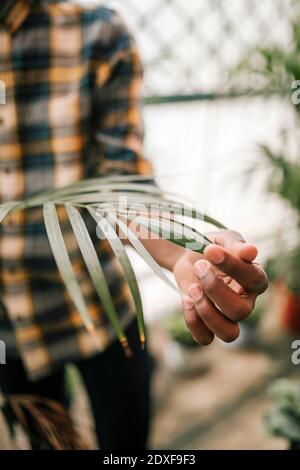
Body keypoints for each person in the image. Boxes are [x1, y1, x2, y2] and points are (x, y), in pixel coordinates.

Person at [0, 0, 268, 450]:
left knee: (124, 444)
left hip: (101, 305)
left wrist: (186, 251)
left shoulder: (96, 33)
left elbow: (119, 186)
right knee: (47, 442)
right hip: (8, 325)